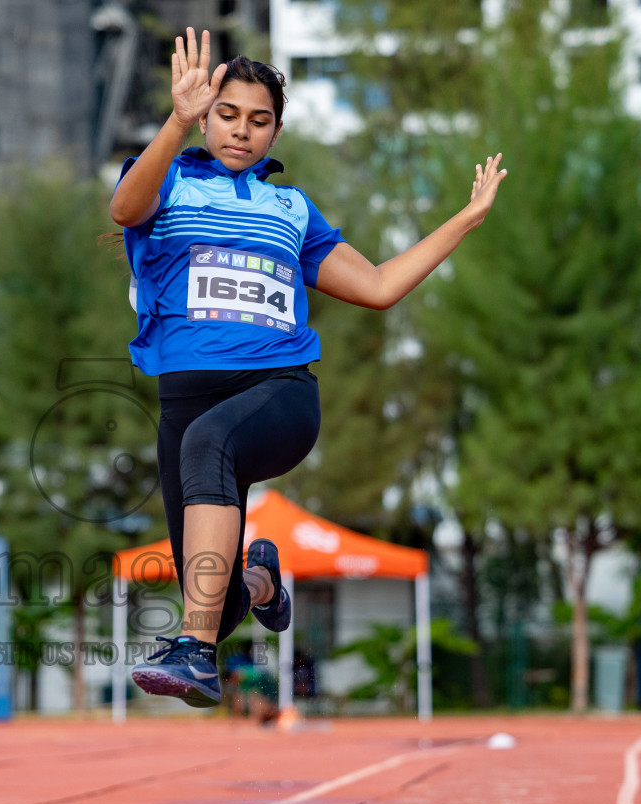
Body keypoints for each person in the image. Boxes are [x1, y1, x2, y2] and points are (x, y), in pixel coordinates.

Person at [113, 29, 505, 707]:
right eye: (228, 115)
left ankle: (196, 658)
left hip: (278, 394)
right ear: (206, 117)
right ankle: (261, 582)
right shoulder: (167, 179)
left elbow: (380, 287)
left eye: (259, 121)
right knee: (219, 595)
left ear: (276, 131)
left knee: (212, 457)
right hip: (182, 404)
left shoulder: (291, 210)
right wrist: (174, 122)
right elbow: (124, 209)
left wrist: (464, 220)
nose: (242, 131)